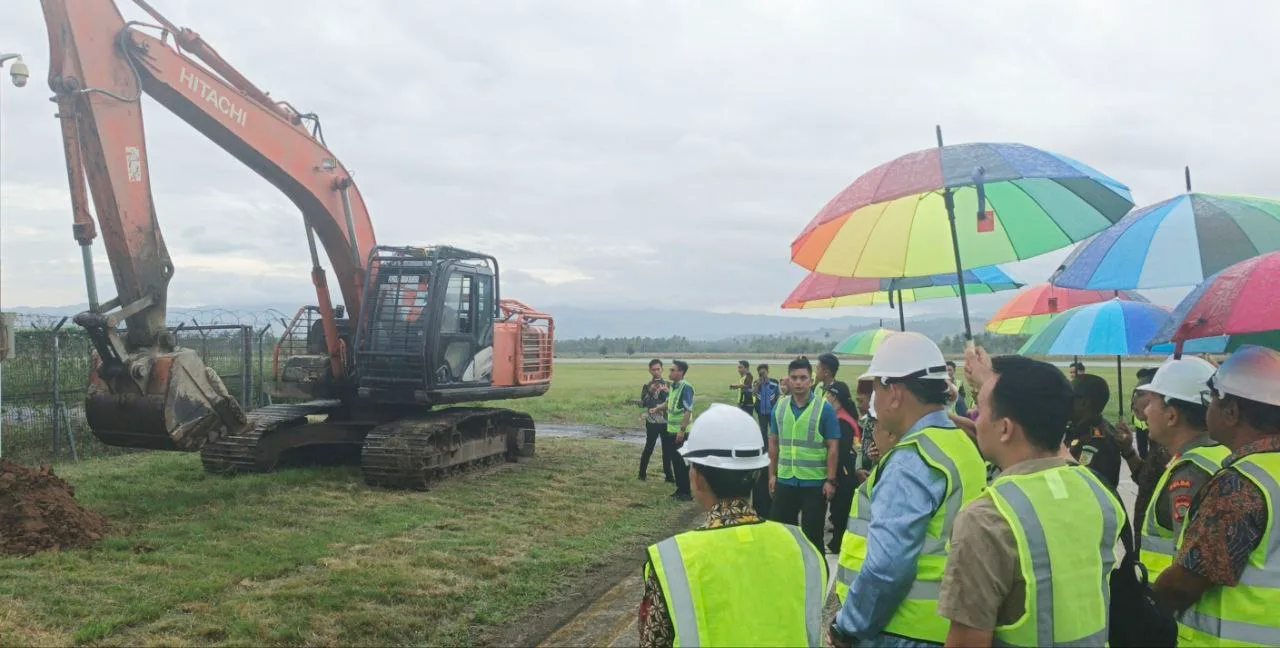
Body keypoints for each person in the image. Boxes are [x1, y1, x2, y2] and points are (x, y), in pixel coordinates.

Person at [938, 350, 1126, 647]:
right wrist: (992, 389)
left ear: (1005, 428)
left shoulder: (986, 518)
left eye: (981, 411)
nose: (975, 419)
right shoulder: (1096, 490)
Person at [830, 332, 987, 647]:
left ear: (895, 393)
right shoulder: (961, 443)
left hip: (901, 631)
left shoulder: (912, 459)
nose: (874, 400)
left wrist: (848, 626)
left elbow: (887, 568)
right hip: (946, 626)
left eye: (876, 388)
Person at [638, 404, 828, 647]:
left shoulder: (673, 561)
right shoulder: (802, 546)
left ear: (696, 476)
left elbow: (654, 640)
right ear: (757, 474)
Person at [1153, 345, 1280, 645]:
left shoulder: (1240, 485)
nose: (1207, 408)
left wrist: (1147, 602)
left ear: (1231, 412)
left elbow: (1187, 582)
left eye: (1212, 398)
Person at [1133, 357, 1229, 584]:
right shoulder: (1220, 453)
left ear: (1172, 416)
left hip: (1172, 602)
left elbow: (1192, 570)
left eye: (1152, 402)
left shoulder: (1191, 473)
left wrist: (1155, 600)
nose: (1146, 411)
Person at [768, 356, 840, 552]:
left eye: (803, 378)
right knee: (782, 534)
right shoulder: (780, 407)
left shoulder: (824, 408)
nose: (798, 383)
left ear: (811, 380)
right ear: (788, 380)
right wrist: (772, 475)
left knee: (813, 538)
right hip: (785, 480)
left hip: (814, 483)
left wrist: (830, 480)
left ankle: (817, 571)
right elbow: (773, 442)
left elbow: (833, 446)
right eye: (794, 378)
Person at [1066, 373, 1123, 489]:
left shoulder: (1096, 440)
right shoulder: (1079, 429)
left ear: (1084, 402)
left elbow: (1083, 483)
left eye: (1069, 397)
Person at [648, 360, 694, 501]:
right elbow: (668, 403)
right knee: (676, 462)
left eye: (673, 370)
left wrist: (682, 430)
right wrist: (657, 408)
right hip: (671, 430)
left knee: (682, 463)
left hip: (681, 432)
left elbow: (688, 410)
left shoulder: (686, 387)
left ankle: (686, 492)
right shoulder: (673, 386)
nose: (670, 372)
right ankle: (680, 489)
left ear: (680, 372)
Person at [825, 380, 861, 554]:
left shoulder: (842, 421)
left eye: (829, 395)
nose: (826, 398)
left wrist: (834, 475)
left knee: (841, 509)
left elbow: (841, 450)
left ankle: (837, 543)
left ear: (835, 398)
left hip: (844, 471)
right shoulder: (844, 417)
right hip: (846, 469)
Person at [751, 364, 781, 519]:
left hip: (771, 410)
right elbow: (753, 393)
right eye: (760, 373)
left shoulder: (774, 382)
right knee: (762, 431)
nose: (762, 375)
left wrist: (774, 403)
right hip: (761, 411)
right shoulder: (757, 383)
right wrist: (758, 385)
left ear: (767, 372)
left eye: (763, 372)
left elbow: (778, 394)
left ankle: (772, 447)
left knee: (772, 432)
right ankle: (765, 449)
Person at [638, 358, 673, 483]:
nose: (656, 372)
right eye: (653, 370)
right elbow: (643, 404)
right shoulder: (647, 386)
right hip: (652, 421)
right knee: (649, 448)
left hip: (666, 422)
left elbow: (673, 403)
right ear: (650, 371)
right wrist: (650, 392)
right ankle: (642, 474)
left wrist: (668, 393)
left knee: (667, 450)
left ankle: (669, 476)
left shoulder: (669, 385)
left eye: (658, 369)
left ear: (662, 369)